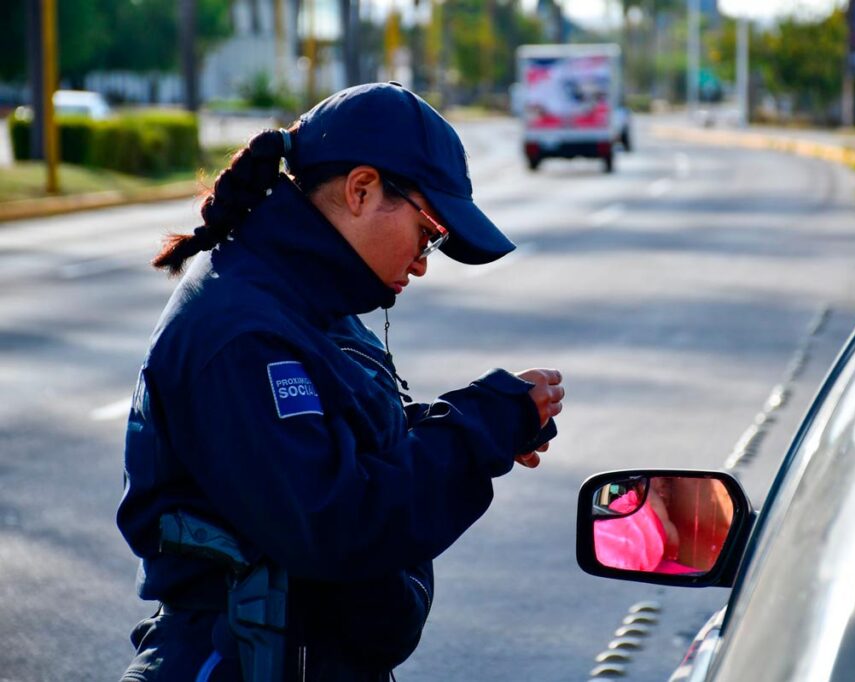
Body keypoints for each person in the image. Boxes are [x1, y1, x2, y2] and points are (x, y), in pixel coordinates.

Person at [116, 82, 564, 682]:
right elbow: (335, 521)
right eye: (429, 232)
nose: (423, 261)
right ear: (361, 190)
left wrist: (484, 422)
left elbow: (342, 442)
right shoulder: (245, 331)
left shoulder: (303, 293)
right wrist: (475, 432)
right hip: (241, 663)